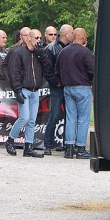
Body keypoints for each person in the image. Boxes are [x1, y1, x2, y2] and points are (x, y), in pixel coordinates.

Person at [5, 29, 53, 158]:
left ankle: (29, 146)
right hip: (25, 89)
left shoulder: (39, 53)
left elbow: (48, 68)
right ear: (29, 38)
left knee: (32, 120)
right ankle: (10, 140)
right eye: (36, 38)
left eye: (40, 38)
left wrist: (42, 55)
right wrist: (17, 90)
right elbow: (13, 72)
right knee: (24, 117)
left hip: (35, 90)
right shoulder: (19, 52)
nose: (39, 40)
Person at [55, 28, 94, 159]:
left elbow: (57, 69)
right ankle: (81, 148)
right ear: (83, 37)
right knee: (83, 119)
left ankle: (69, 148)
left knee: (70, 118)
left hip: (67, 88)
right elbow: (92, 70)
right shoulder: (85, 52)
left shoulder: (63, 51)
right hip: (82, 87)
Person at [42, 24, 73, 154]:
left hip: (69, 85)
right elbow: (47, 70)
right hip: (58, 87)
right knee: (54, 115)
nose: (73, 34)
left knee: (69, 116)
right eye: (72, 32)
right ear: (67, 34)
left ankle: (68, 145)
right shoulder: (51, 48)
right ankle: (47, 145)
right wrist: (57, 82)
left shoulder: (71, 47)